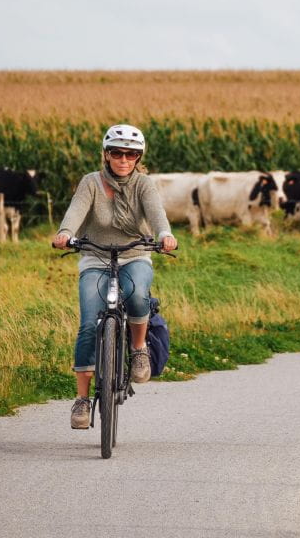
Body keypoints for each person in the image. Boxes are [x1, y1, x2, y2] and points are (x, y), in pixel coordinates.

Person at [52, 124, 177, 429]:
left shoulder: (143, 185)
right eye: (117, 153)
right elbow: (76, 211)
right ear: (106, 155)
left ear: (138, 157)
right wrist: (65, 232)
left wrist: (165, 234)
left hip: (135, 255)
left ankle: (138, 350)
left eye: (131, 154)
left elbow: (156, 214)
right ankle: (82, 400)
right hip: (95, 256)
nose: (124, 159)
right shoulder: (90, 183)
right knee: (88, 324)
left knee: (137, 294)